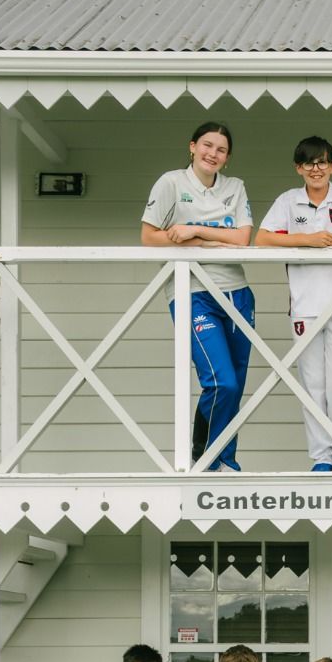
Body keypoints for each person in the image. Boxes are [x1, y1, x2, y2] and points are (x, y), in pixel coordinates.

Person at [141, 120, 253, 472]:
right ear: (192, 146)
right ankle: (203, 457)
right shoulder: (172, 182)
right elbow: (149, 237)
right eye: (207, 145)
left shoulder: (235, 187)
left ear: (227, 157)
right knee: (221, 380)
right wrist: (209, 242)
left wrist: (193, 231)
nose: (212, 154)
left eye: (220, 149)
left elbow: (242, 238)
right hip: (193, 291)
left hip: (236, 292)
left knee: (236, 386)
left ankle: (227, 460)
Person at [254, 136, 332, 473]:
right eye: (308, 163)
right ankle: (321, 457)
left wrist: (327, 242)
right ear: (298, 168)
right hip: (303, 306)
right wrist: (305, 240)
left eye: (322, 162)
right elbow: (263, 238)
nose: (315, 169)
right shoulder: (288, 201)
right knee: (313, 386)